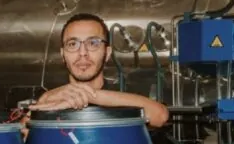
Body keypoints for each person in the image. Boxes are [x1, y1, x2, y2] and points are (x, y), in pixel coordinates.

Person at [29, 13, 169, 128]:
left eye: (93, 43)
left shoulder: (126, 98)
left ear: (107, 53)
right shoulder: (52, 97)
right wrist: (44, 99)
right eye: (72, 44)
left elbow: (160, 115)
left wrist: (88, 95)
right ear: (63, 54)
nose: (82, 53)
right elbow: (23, 137)